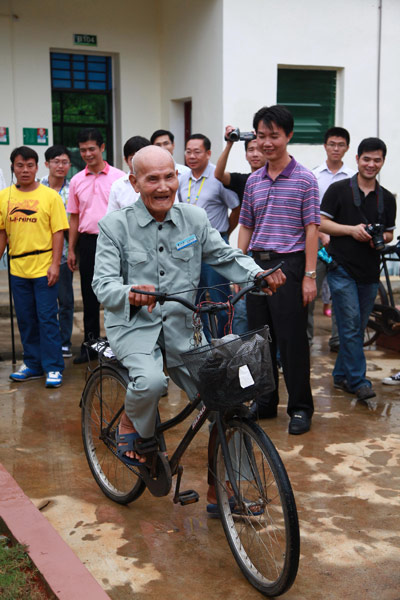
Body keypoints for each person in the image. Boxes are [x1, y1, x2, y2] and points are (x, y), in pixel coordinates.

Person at [92, 145, 285, 500]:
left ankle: (222, 488)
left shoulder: (194, 218)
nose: (163, 186)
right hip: (134, 327)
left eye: (169, 176)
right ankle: (131, 423)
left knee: (226, 399)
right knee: (149, 382)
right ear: (135, 183)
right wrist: (131, 292)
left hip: (185, 328)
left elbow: (224, 255)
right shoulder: (114, 226)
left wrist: (257, 274)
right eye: (152, 179)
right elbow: (102, 284)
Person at [238, 105, 320, 434]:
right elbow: (245, 226)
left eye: (274, 135)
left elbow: (312, 228)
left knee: (291, 341)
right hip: (257, 265)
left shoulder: (304, 179)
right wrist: (238, 267)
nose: (267, 142)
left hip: (290, 265)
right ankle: (266, 402)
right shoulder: (254, 181)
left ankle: (300, 408)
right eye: (261, 136)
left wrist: (310, 277)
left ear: (288, 135)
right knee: (260, 340)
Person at [320, 137, 396, 401]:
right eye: (367, 159)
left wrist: (379, 238)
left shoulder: (386, 198)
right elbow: (320, 224)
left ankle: (341, 375)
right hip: (341, 269)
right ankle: (359, 381)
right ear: (357, 159)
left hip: (370, 272)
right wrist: (352, 230)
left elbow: (388, 234)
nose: (371, 164)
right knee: (351, 327)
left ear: (383, 162)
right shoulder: (339, 190)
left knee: (358, 325)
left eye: (377, 160)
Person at [0, 146, 69, 387]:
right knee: (26, 319)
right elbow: (2, 233)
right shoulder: (4, 197)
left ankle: (53, 367)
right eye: (20, 165)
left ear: (37, 167)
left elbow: (58, 231)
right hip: (17, 268)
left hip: (44, 268)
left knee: (47, 318)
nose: (25, 170)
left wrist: (55, 265)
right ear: (13, 167)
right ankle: (32, 364)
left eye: (30, 165)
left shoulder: (50, 196)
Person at [67, 127, 125, 364]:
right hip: (88, 243)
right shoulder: (77, 180)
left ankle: (120, 347)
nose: (88, 154)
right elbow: (74, 216)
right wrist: (72, 248)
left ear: (102, 148)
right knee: (90, 296)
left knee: (118, 296)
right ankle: (90, 346)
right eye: (83, 150)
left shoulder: (120, 178)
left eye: (92, 148)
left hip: (116, 242)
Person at [177, 133, 240, 339]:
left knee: (219, 299)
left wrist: (224, 234)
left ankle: (225, 342)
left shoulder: (218, 177)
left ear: (208, 153)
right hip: (189, 246)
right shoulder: (182, 178)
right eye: (188, 151)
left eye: (197, 151)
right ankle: (203, 344)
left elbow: (236, 208)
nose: (191, 156)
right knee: (194, 300)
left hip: (214, 245)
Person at [215, 125, 266, 334]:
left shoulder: (280, 181)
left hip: (272, 254)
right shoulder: (244, 180)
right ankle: (242, 355)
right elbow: (218, 174)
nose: (255, 154)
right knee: (242, 309)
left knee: (271, 310)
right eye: (250, 150)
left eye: (259, 149)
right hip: (248, 253)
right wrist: (229, 143)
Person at [308, 127, 356, 351]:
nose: (336, 149)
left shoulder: (352, 177)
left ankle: (338, 340)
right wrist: (322, 234)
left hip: (343, 243)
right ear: (325, 146)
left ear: (347, 148)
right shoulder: (314, 175)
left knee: (341, 292)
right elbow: (309, 211)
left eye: (340, 145)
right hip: (315, 241)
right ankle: (305, 338)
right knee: (309, 290)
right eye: (332, 144)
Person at [41, 145, 74, 358]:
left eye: (64, 162)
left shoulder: (73, 188)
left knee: (66, 299)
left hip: (63, 254)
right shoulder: (36, 187)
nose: (60, 166)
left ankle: (64, 341)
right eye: (56, 161)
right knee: (44, 302)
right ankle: (45, 340)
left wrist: (72, 250)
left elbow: (74, 220)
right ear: (47, 164)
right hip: (40, 254)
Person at [107, 136, 150, 213]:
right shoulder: (118, 186)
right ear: (126, 160)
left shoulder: (162, 182)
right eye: (133, 159)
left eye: (143, 158)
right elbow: (112, 217)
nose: (138, 164)